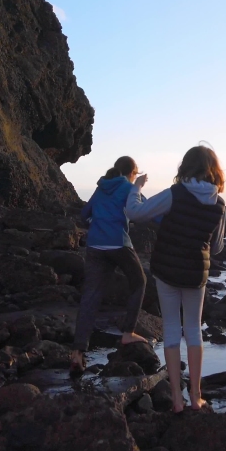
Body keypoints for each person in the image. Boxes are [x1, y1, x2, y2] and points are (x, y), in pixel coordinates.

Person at [126, 145, 226, 413]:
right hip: (196, 273)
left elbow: (136, 213)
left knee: (171, 328)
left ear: (186, 167)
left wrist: (135, 189)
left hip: (167, 270)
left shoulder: (175, 194)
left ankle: (176, 399)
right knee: (193, 330)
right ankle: (196, 396)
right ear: (213, 170)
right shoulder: (218, 203)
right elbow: (216, 247)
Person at [71, 156, 152, 374]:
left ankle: (78, 351)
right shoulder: (128, 187)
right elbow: (145, 210)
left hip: (95, 245)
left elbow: (84, 214)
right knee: (139, 282)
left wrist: (97, 224)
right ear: (132, 173)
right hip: (118, 243)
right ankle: (128, 332)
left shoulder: (101, 188)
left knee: (91, 296)